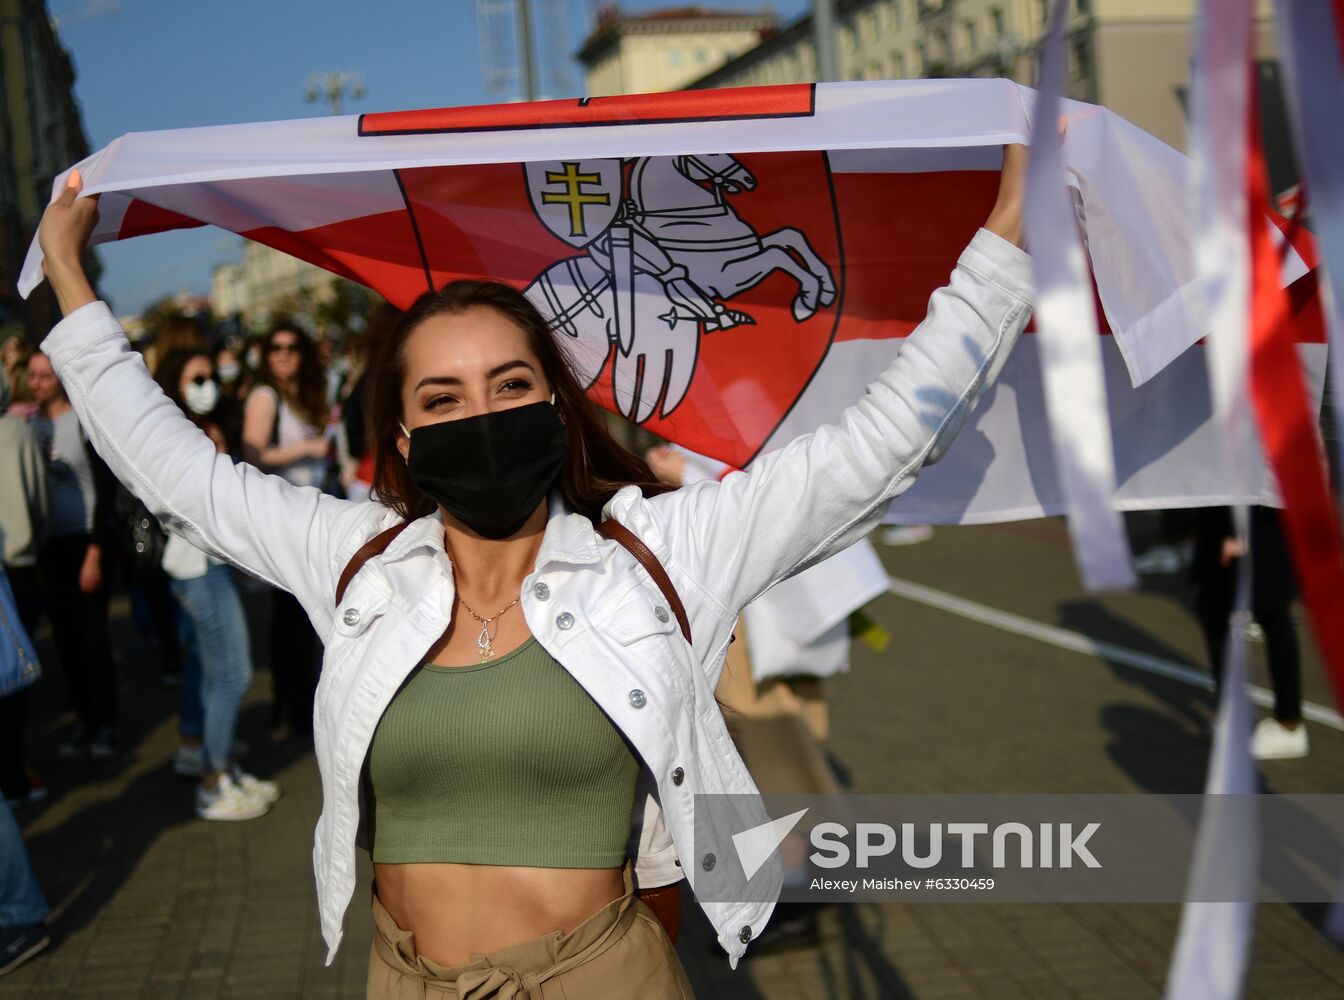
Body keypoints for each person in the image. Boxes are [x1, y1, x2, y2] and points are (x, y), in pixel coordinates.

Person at [35, 146, 1031, 996]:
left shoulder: (658, 552)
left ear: (557, 408)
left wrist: (1005, 237)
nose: (481, 414)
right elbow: (181, 474)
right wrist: (72, 287)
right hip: (406, 977)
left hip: (600, 974)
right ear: (405, 437)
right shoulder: (358, 563)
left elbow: (889, 437)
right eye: (444, 395)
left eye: (510, 385)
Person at [154, 349, 281, 819]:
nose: (207, 383)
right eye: (196, 378)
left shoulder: (208, 428)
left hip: (210, 565)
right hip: (197, 567)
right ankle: (212, 782)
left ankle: (218, 766)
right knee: (233, 672)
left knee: (214, 671)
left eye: (209, 375)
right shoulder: (177, 436)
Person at [25, 350, 118, 758]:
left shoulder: (82, 420)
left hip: (86, 542)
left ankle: (108, 725)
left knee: (94, 638)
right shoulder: (27, 426)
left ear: (61, 378)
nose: (38, 382)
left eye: (46, 375)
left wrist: (96, 550)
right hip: (51, 547)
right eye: (32, 375)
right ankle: (84, 721)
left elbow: (104, 490)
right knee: (65, 639)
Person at [241, 323, 329, 738]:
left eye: (292, 346)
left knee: (305, 619)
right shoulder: (265, 395)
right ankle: (290, 710)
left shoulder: (306, 394)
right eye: (275, 347)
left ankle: (297, 707)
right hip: (284, 522)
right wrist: (307, 449)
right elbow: (252, 453)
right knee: (292, 620)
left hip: (310, 519)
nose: (284, 354)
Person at [1191, 505, 1307, 759]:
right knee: (1212, 603)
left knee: (1271, 606)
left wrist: (1239, 531)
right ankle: (1230, 713)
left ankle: (1289, 723)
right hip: (1222, 504)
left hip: (1261, 509)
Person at [0, 370, 48, 806]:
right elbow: (38, 497)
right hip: (18, 564)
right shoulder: (17, 431)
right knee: (13, 675)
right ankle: (16, 774)